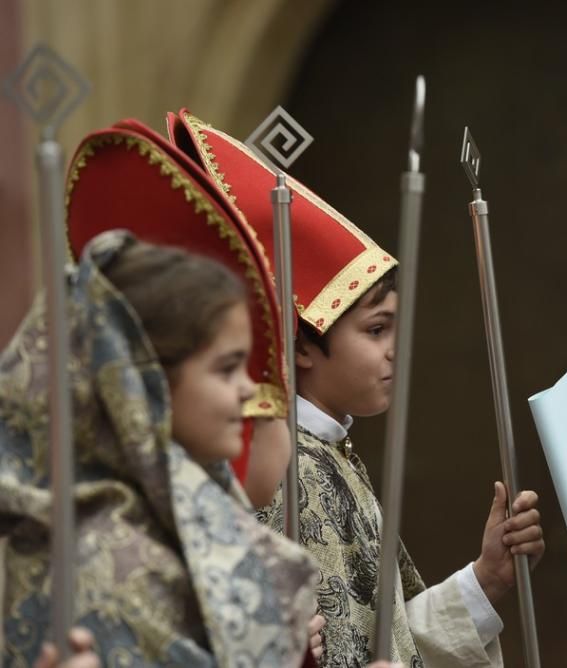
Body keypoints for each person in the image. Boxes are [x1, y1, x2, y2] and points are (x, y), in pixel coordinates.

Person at [169, 109, 546, 667]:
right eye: (375, 330)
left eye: (397, 326)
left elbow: (386, 638)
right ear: (301, 347)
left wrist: (486, 578)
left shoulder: (336, 457)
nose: (396, 348)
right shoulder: (288, 470)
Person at [2, 121, 325, 667]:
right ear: (144, 386)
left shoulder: (180, 522)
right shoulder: (109, 564)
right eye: (226, 369)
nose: (250, 389)